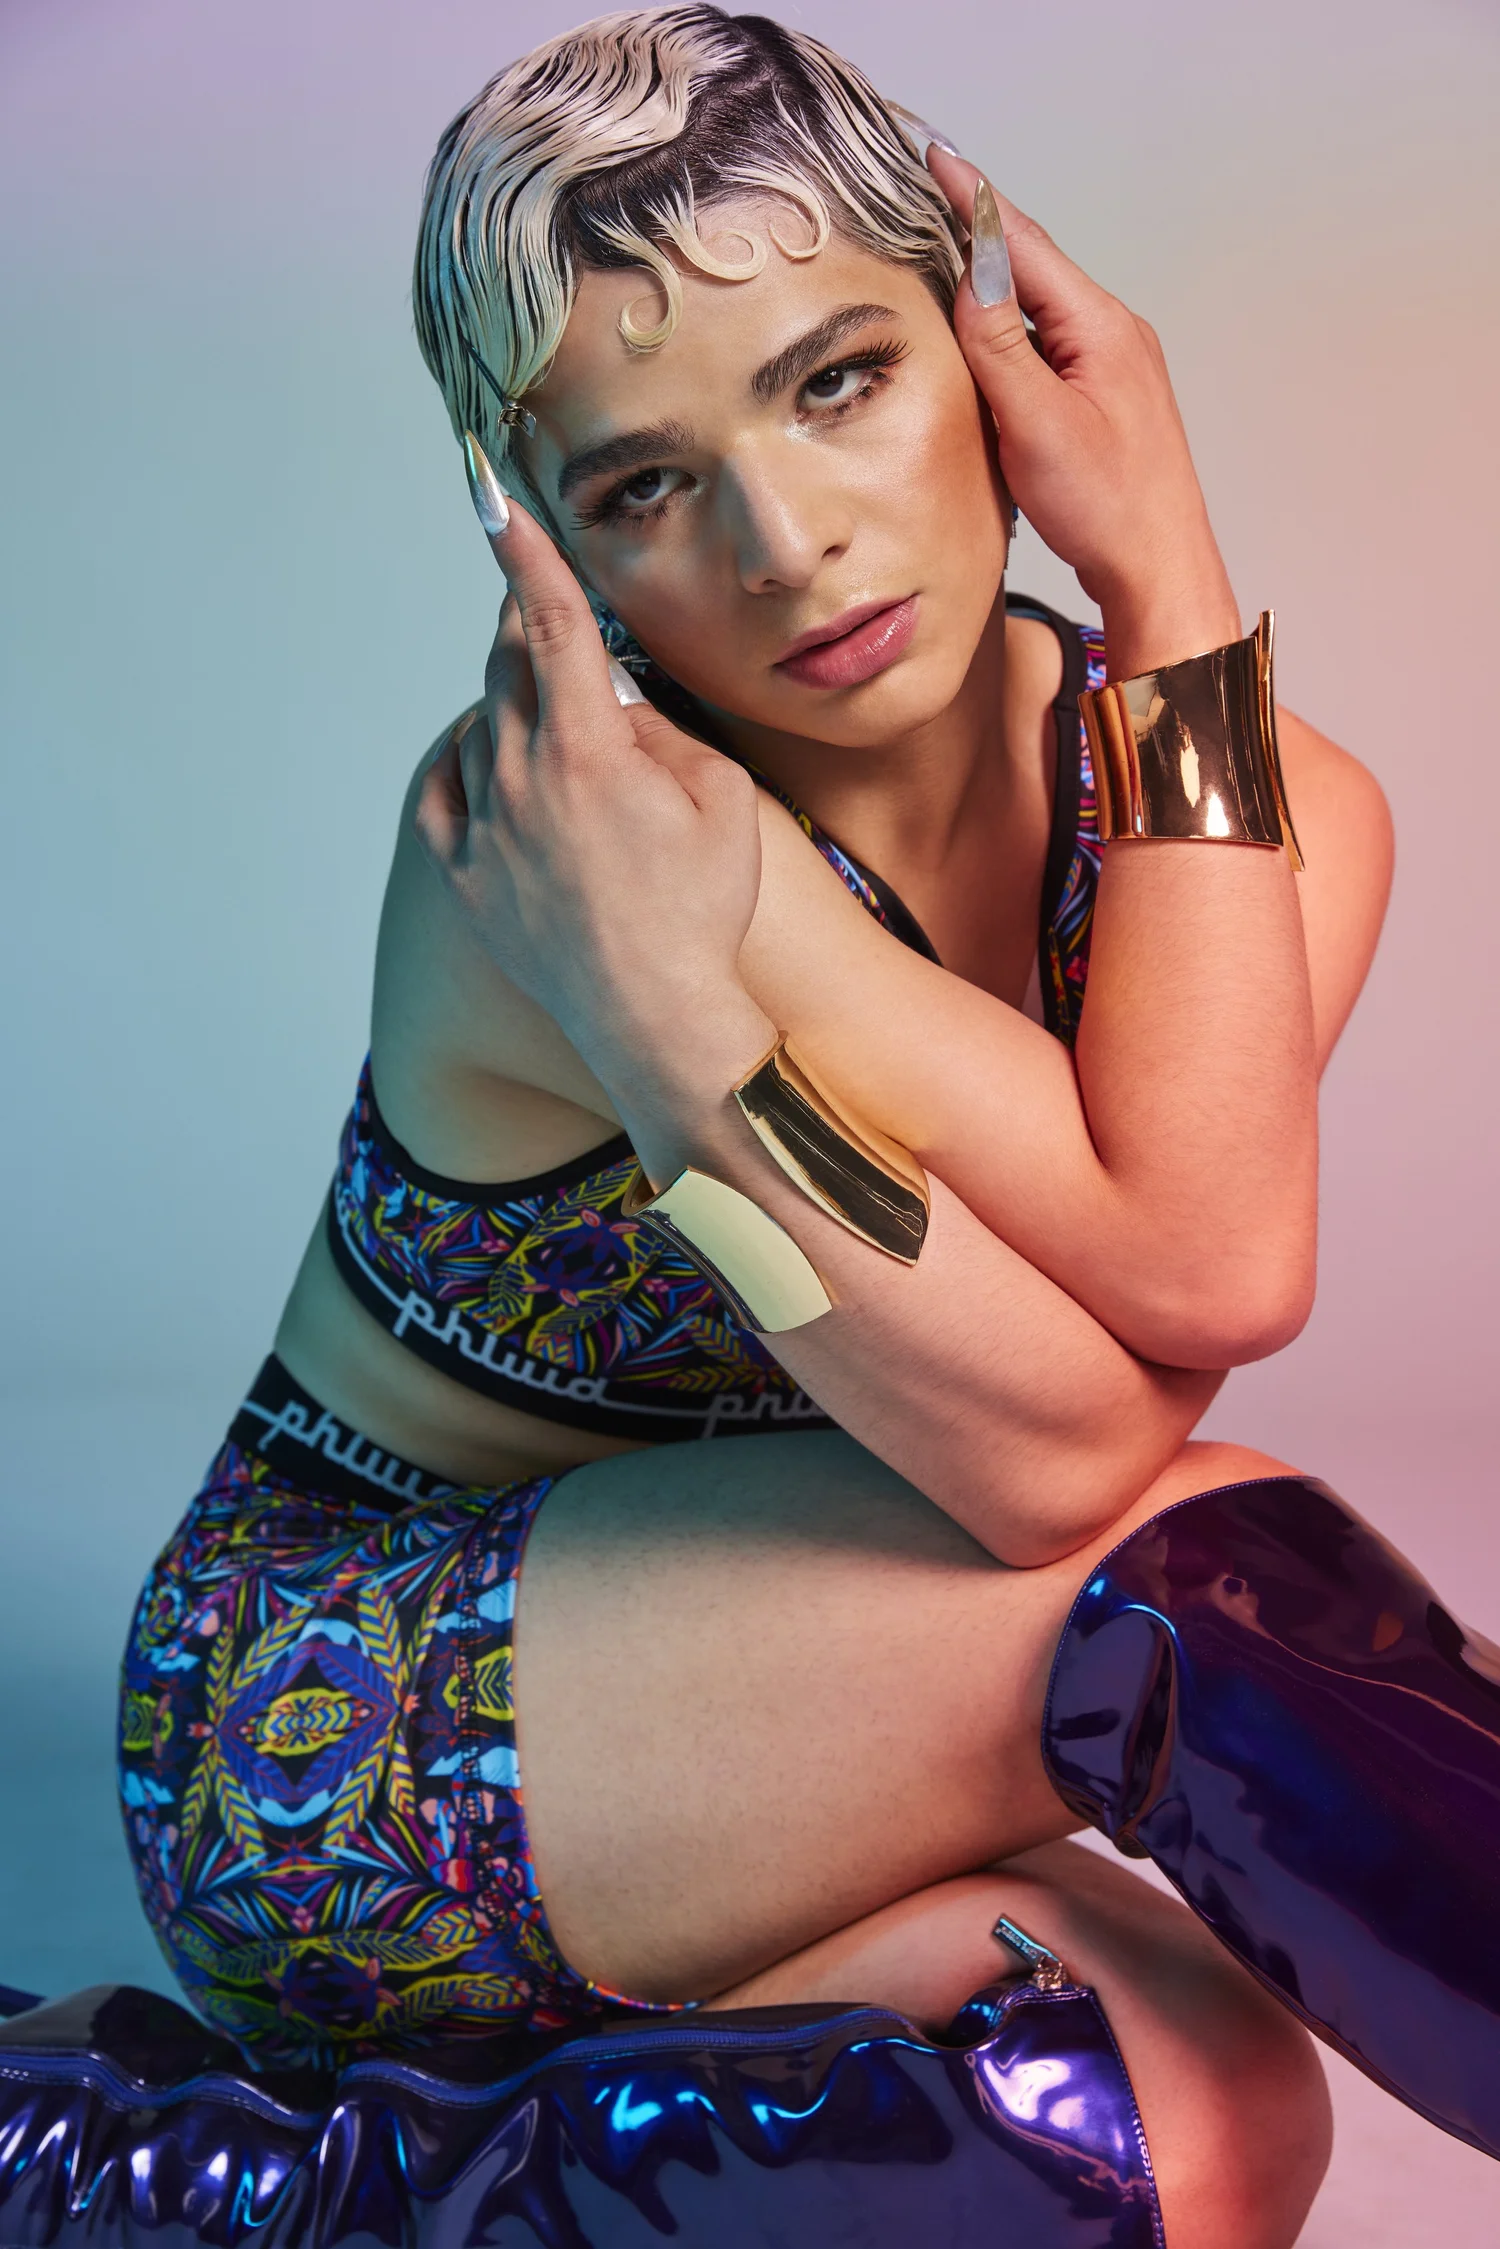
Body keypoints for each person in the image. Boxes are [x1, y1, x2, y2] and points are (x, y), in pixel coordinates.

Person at [117, 10, 1412, 2243]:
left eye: (838, 379)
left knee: (1188, 2122)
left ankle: (280, 2188)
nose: (789, 543)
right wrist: (659, 1036)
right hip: (336, 1731)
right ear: (548, 545)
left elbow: (1204, 1268)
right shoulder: (565, 837)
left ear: (994, 342)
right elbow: (1063, 1479)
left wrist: (1173, 585)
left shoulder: (1261, 812)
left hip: (766, 1753)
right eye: (641, 485)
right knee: (1196, 1589)